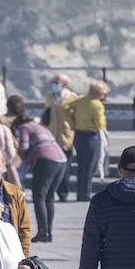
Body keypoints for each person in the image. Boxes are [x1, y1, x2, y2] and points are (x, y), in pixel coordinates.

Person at [14, 96, 66, 243]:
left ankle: (43, 232)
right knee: (49, 196)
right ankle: (48, 231)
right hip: (61, 160)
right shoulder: (40, 126)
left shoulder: (24, 127)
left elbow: (23, 147)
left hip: (46, 161)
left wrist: (15, 157)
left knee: (39, 196)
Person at [65, 82, 109, 202]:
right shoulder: (97, 105)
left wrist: (72, 121)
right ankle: (85, 194)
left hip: (78, 135)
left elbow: (66, 108)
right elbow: (100, 124)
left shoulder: (80, 100)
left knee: (81, 166)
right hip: (91, 136)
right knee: (90, 166)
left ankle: (80, 192)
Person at [46, 74, 78, 202]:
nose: (54, 84)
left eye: (57, 82)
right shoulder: (49, 97)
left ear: (65, 84)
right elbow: (46, 114)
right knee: (52, 167)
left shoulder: (73, 98)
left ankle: (63, 192)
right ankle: (52, 191)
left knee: (65, 167)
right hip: (52, 137)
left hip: (67, 137)